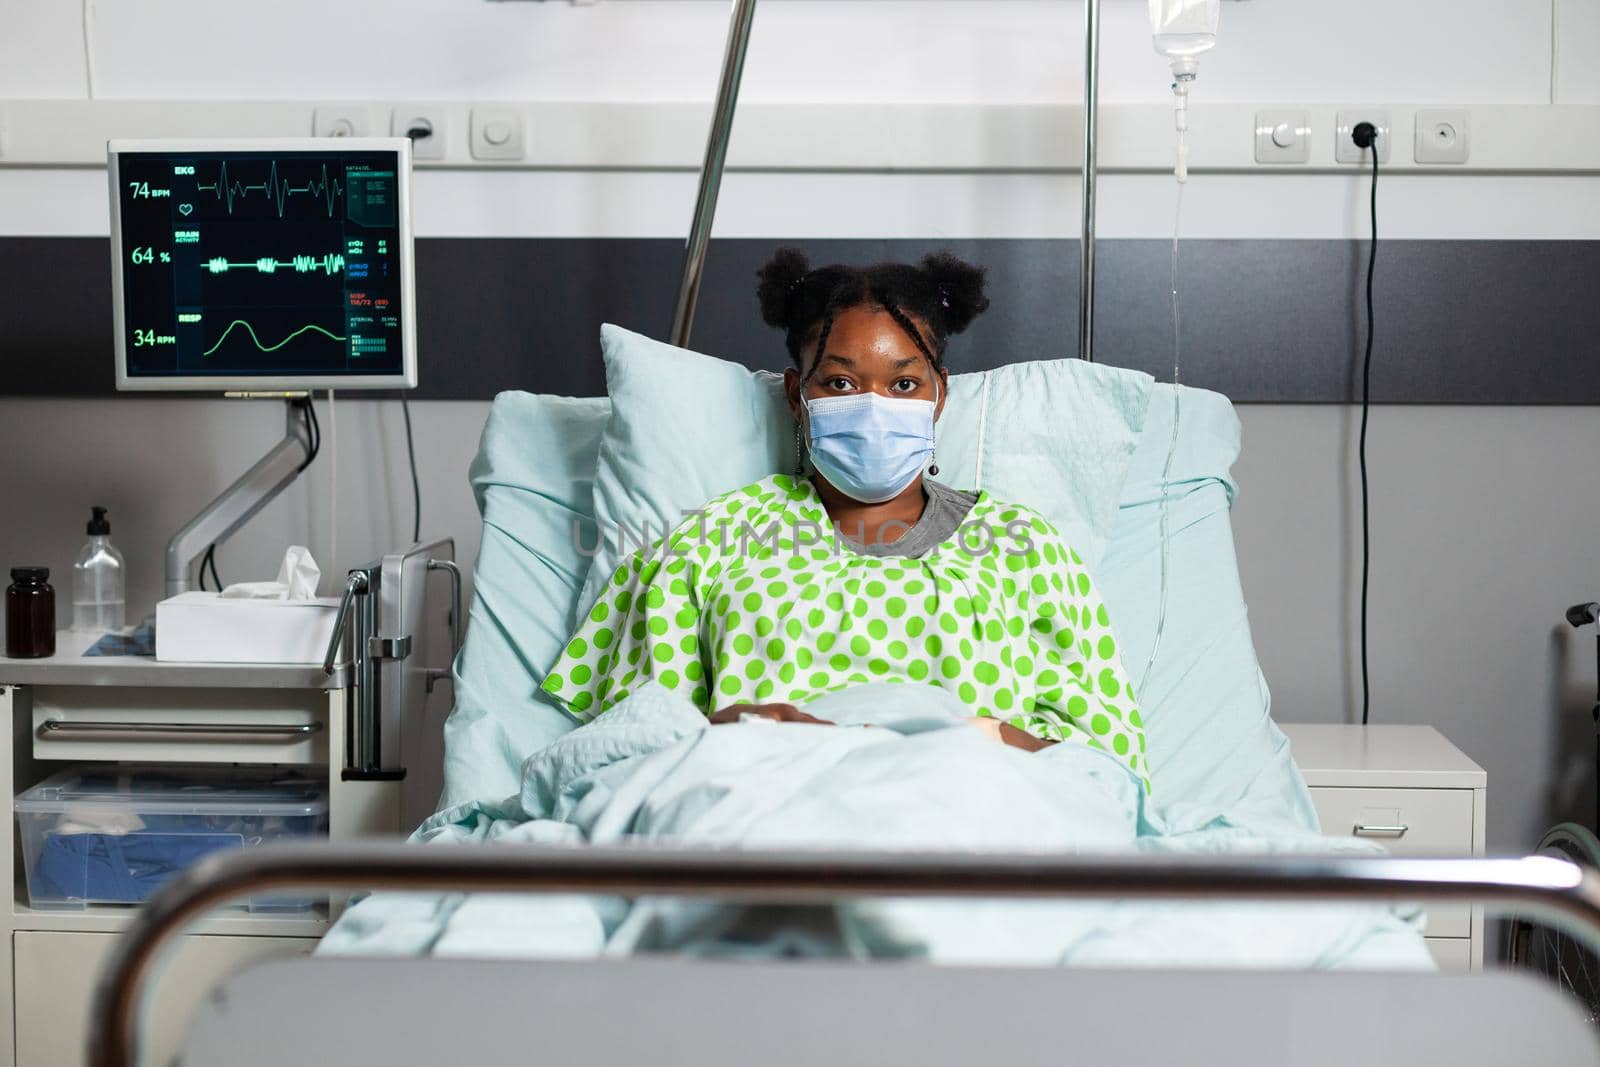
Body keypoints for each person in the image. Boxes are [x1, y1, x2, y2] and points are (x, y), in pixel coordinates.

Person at [542, 248, 1150, 791]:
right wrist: (740, 729)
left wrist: (975, 738)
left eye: (904, 382)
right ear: (794, 395)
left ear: (940, 395)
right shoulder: (712, 543)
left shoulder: (1026, 549)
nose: (874, 407)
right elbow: (628, 751)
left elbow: (1107, 773)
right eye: (839, 381)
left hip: (969, 818)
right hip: (765, 813)